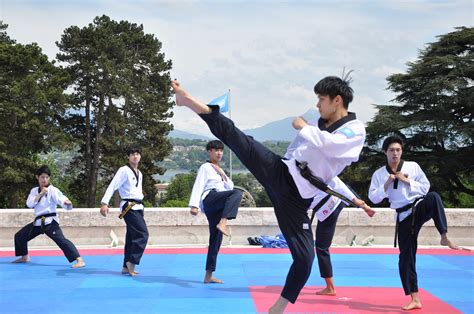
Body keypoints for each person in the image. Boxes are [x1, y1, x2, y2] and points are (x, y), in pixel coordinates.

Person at [172, 76, 373, 314]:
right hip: (281, 172)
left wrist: (303, 126)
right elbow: (297, 148)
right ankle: (189, 101)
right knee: (239, 139)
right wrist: (299, 139)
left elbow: (329, 145)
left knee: (305, 258)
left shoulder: (355, 130)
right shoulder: (318, 122)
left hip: (297, 201)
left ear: (337, 100)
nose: (318, 105)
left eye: (321, 99)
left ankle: (278, 307)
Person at [368, 135, 461, 311]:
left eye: (398, 150)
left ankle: (444, 236)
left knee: (434, 197)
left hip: (418, 207)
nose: (395, 153)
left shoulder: (412, 167)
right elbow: (373, 197)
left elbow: (425, 187)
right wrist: (387, 184)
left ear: (401, 151)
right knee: (406, 258)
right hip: (403, 217)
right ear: (385, 152)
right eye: (391, 150)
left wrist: (407, 180)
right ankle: (415, 298)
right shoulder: (379, 174)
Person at [189, 140, 243, 284]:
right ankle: (223, 222)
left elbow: (229, 185)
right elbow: (198, 184)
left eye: (221, 150)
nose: (219, 153)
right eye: (216, 150)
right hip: (210, 198)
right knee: (237, 194)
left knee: (216, 239)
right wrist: (194, 205)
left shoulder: (219, 169)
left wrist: (223, 175)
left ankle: (208, 275)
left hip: (219, 204)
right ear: (209, 152)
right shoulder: (205, 167)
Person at [13, 165, 85, 268]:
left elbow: (61, 199)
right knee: (20, 236)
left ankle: (80, 260)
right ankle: (25, 257)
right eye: (42, 177)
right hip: (38, 222)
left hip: (50, 222)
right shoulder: (34, 191)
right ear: (37, 177)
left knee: (61, 241)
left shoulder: (53, 190)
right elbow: (29, 204)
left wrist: (66, 203)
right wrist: (40, 194)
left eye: (47, 177)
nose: (45, 180)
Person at [100, 146, 149, 276]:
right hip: (129, 206)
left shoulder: (140, 173)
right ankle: (131, 262)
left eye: (137, 153)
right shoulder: (124, 170)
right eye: (132, 154)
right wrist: (105, 202)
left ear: (140, 157)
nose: (135, 156)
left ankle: (125, 266)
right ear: (128, 157)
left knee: (132, 237)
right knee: (143, 234)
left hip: (138, 206)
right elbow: (113, 185)